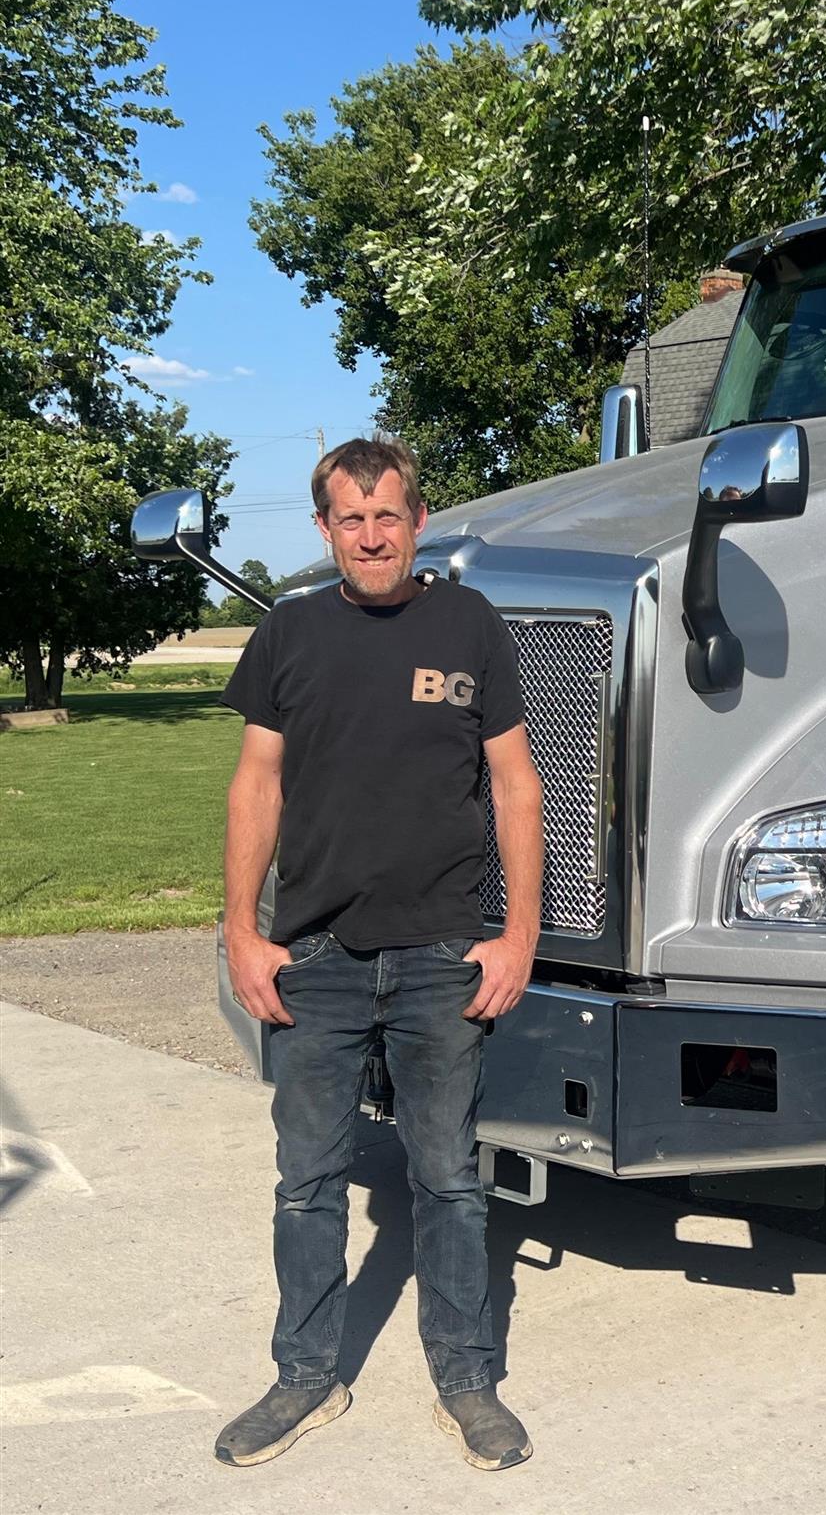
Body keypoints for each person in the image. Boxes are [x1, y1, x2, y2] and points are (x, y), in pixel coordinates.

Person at [212, 437, 544, 1472]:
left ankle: (466, 1378)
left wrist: (519, 932)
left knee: (448, 1179)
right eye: (349, 520)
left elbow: (517, 788)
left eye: (387, 516)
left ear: (418, 518)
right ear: (324, 530)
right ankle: (306, 1376)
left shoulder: (469, 625)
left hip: (445, 950)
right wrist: (242, 931)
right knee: (307, 1178)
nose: (370, 536)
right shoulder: (288, 633)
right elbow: (255, 787)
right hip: (317, 953)